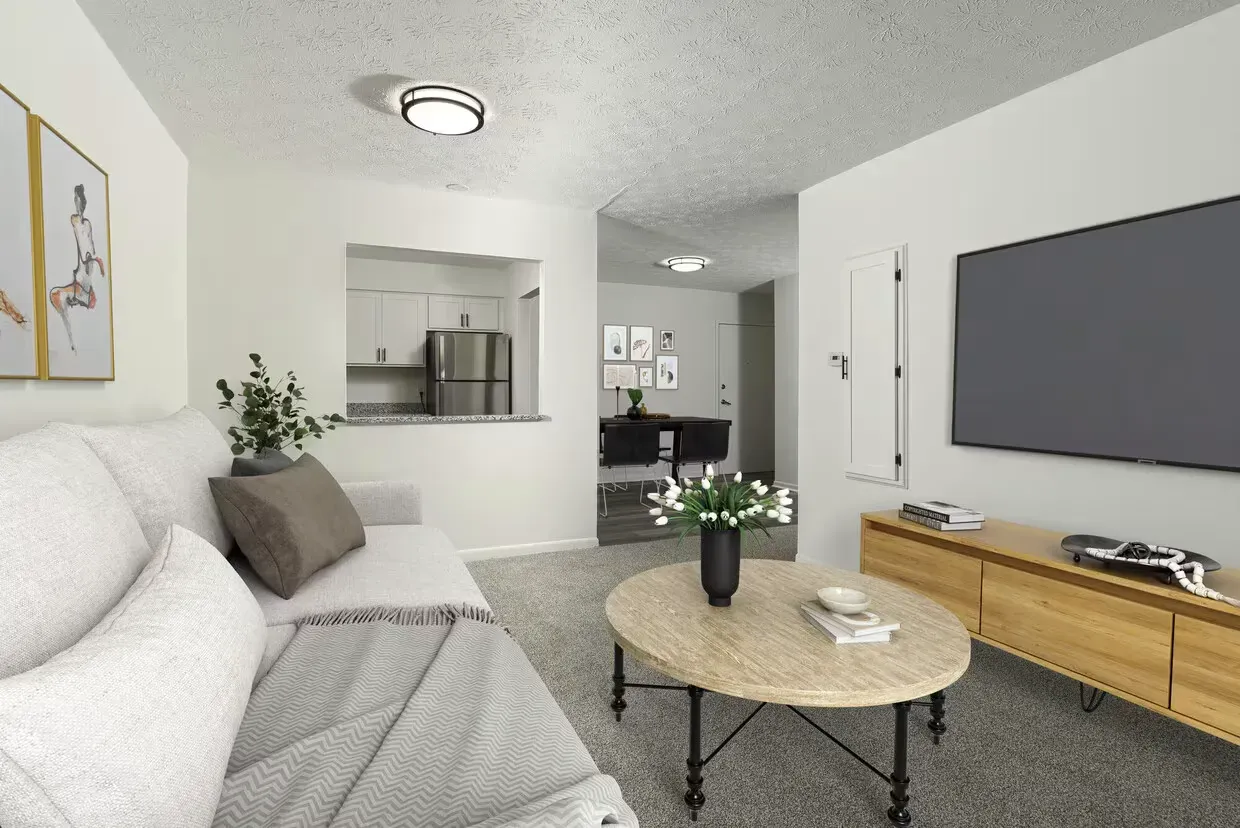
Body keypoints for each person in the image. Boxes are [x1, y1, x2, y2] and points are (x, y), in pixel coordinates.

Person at [48, 184, 106, 352]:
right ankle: (71, 341)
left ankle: (72, 342)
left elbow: (89, 248)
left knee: (57, 294)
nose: (76, 202)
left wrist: (93, 259)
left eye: (77, 198)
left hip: (84, 279)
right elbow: (84, 249)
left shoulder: (86, 224)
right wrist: (92, 259)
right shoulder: (75, 220)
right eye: (74, 198)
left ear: (83, 201)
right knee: (55, 295)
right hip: (81, 275)